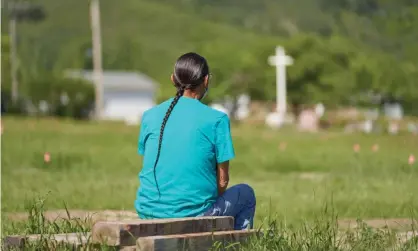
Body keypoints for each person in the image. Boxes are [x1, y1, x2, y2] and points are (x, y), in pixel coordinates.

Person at [134, 52, 256, 230]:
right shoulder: (217, 119)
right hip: (193, 215)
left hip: (147, 211)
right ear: (206, 80)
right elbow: (222, 181)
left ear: (172, 79)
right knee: (246, 194)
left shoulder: (149, 116)